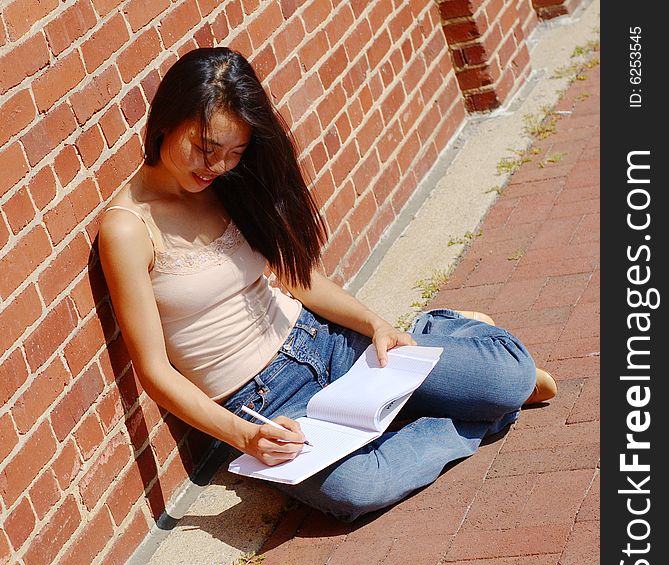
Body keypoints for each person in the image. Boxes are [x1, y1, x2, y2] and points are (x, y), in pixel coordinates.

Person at [98, 47, 556, 523]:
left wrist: (375, 323)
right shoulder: (128, 228)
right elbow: (154, 371)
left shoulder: (227, 188)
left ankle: (448, 333)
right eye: (206, 146)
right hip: (265, 406)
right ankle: (473, 405)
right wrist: (244, 437)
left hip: (323, 343)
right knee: (357, 490)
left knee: (512, 377)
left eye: (234, 153)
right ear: (167, 119)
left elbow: (297, 275)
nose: (216, 165)